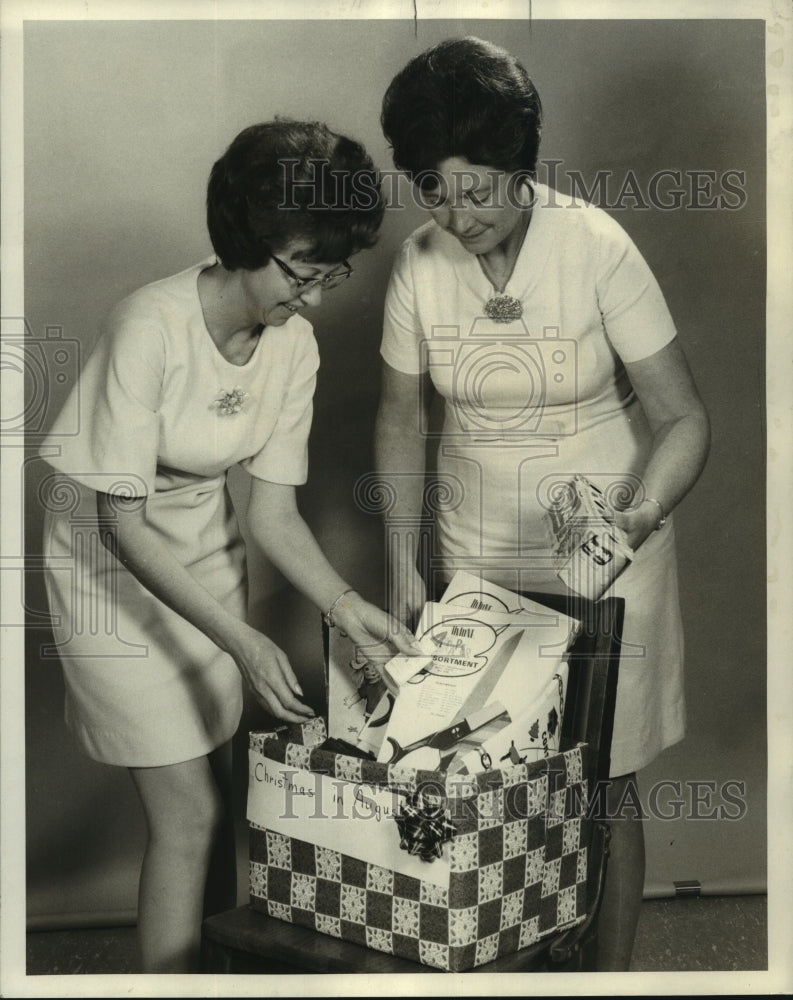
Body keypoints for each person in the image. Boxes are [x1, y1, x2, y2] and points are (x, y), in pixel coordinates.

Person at [39, 118, 418, 973]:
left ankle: (207, 979)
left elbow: (273, 514)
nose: (315, 298)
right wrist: (243, 640)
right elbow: (119, 523)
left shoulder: (294, 346)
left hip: (205, 553)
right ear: (247, 239)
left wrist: (346, 606)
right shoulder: (148, 325)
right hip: (107, 571)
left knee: (213, 788)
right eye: (301, 273)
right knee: (189, 813)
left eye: (331, 275)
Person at [375, 38, 710, 971]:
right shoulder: (418, 263)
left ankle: (607, 981)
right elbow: (399, 419)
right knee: (483, 780)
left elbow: (684, 419)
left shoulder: (595, 246)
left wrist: (634, 519)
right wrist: (401, 565)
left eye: (478, 189)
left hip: (605, 551)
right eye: (435, 192)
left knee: (601, 785)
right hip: (476, 552)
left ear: (521, 165)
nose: (460, 216)